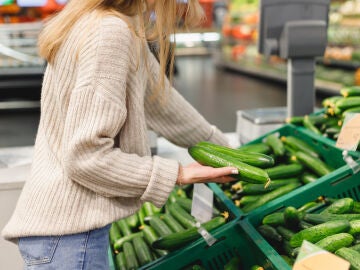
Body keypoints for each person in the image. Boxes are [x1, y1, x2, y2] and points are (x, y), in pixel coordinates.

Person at [2, 0, 239, 269]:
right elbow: (86, 156)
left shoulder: (104, 20)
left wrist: (227, 150)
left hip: (65, 235)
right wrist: (178, 174)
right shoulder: (109, 32)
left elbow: (160, 101)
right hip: (70, 240)